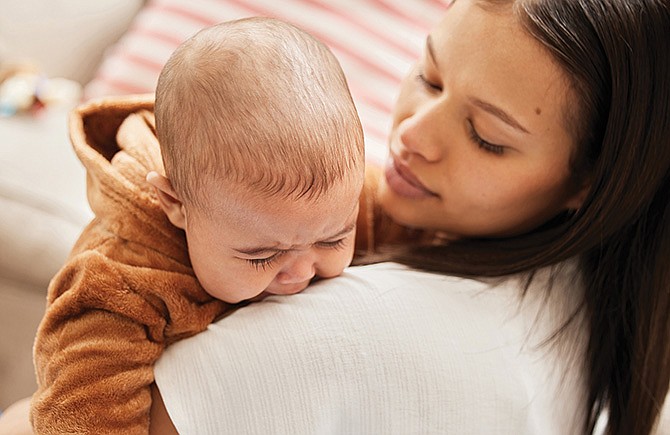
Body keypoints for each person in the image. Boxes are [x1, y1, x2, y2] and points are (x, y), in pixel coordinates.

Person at [147, 0, 670, 434]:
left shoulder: (324, 342)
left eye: (486, 137)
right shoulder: (603, 312)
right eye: (430, 75)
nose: (411, 135)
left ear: (591, 181)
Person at [27, 17, 381, 434]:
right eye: (262, 255)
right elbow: (84, 406)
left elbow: (415, 224)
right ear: (176, 204)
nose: (302, 271)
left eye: (335, 238)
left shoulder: (334, 196)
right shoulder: (120, 276)